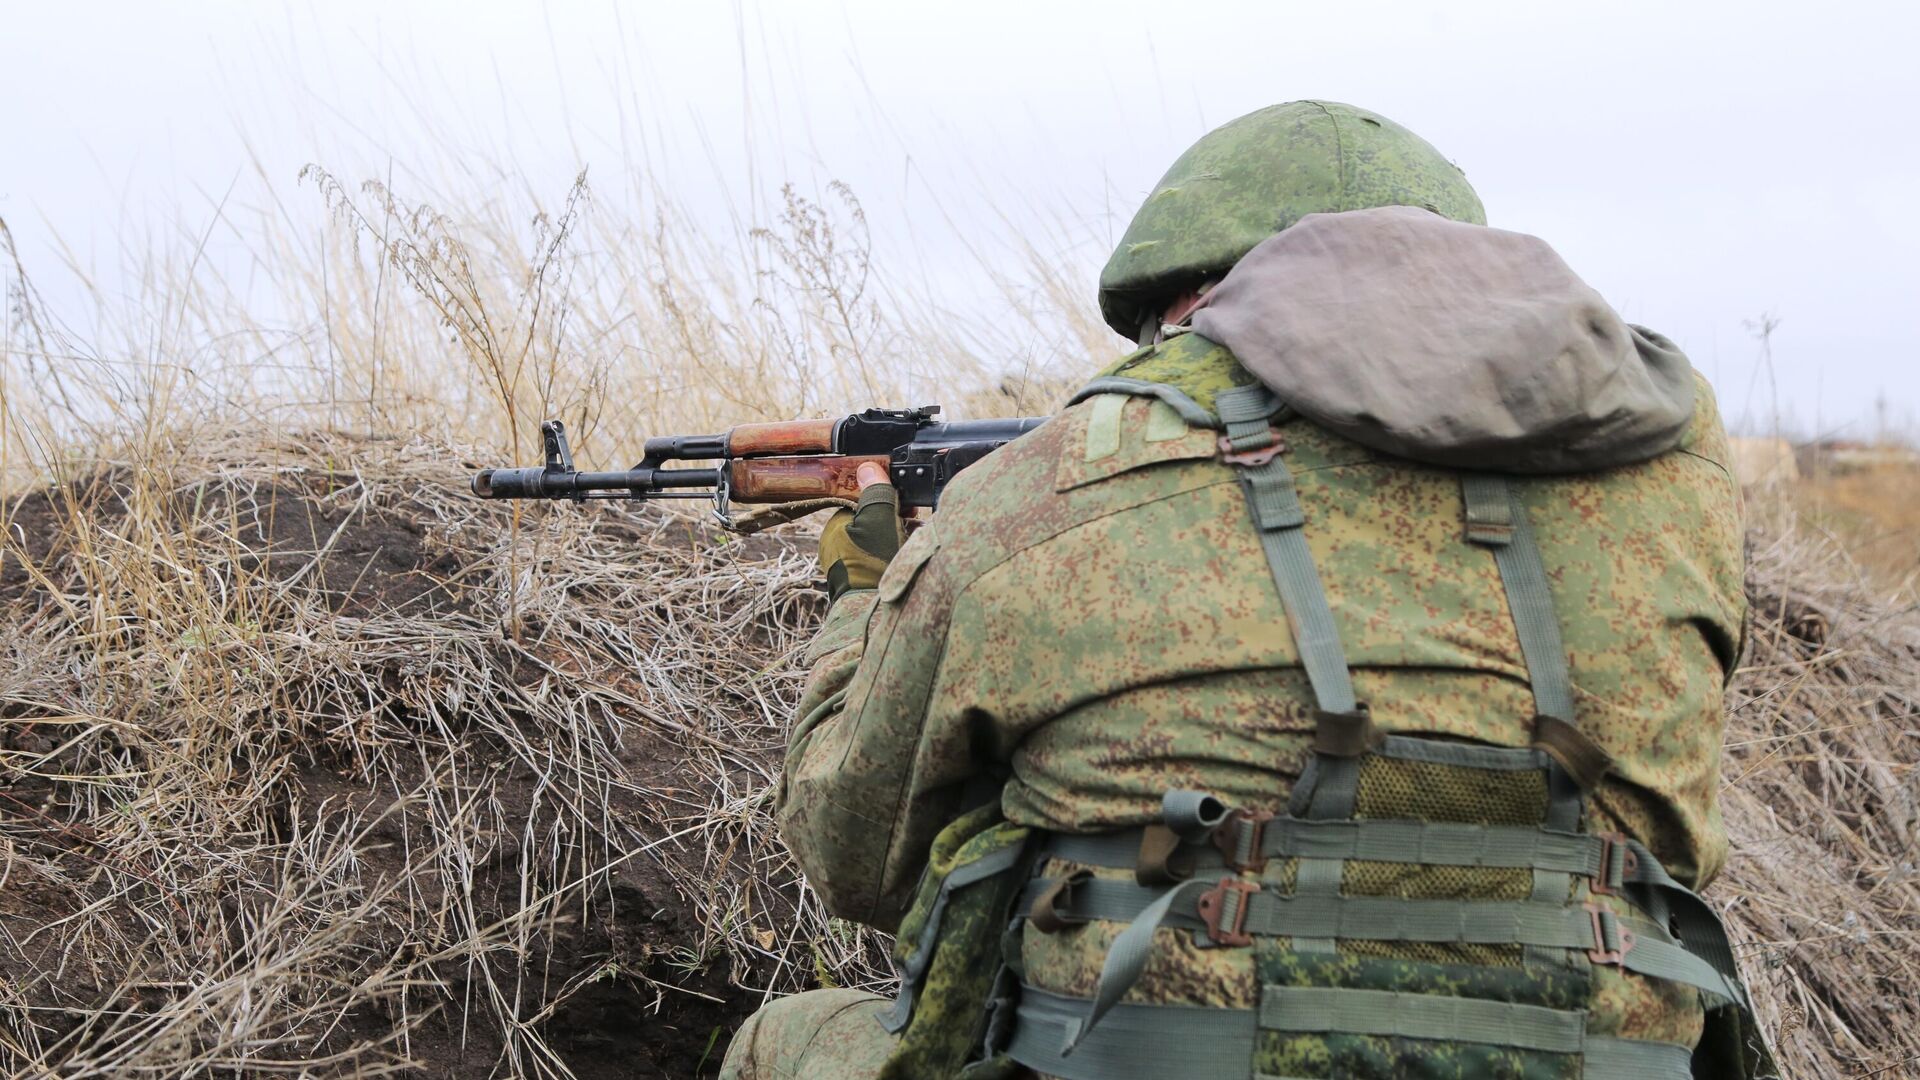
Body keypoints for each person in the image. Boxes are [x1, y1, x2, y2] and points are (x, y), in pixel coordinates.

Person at [720, 100, 1777, 1080]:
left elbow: (851, 850)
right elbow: (1676, 832)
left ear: (1191, 299)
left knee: (784, 1041)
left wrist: (864, 590)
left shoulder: (1041, 488)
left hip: (1167, 1047)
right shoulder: (1678, 477)